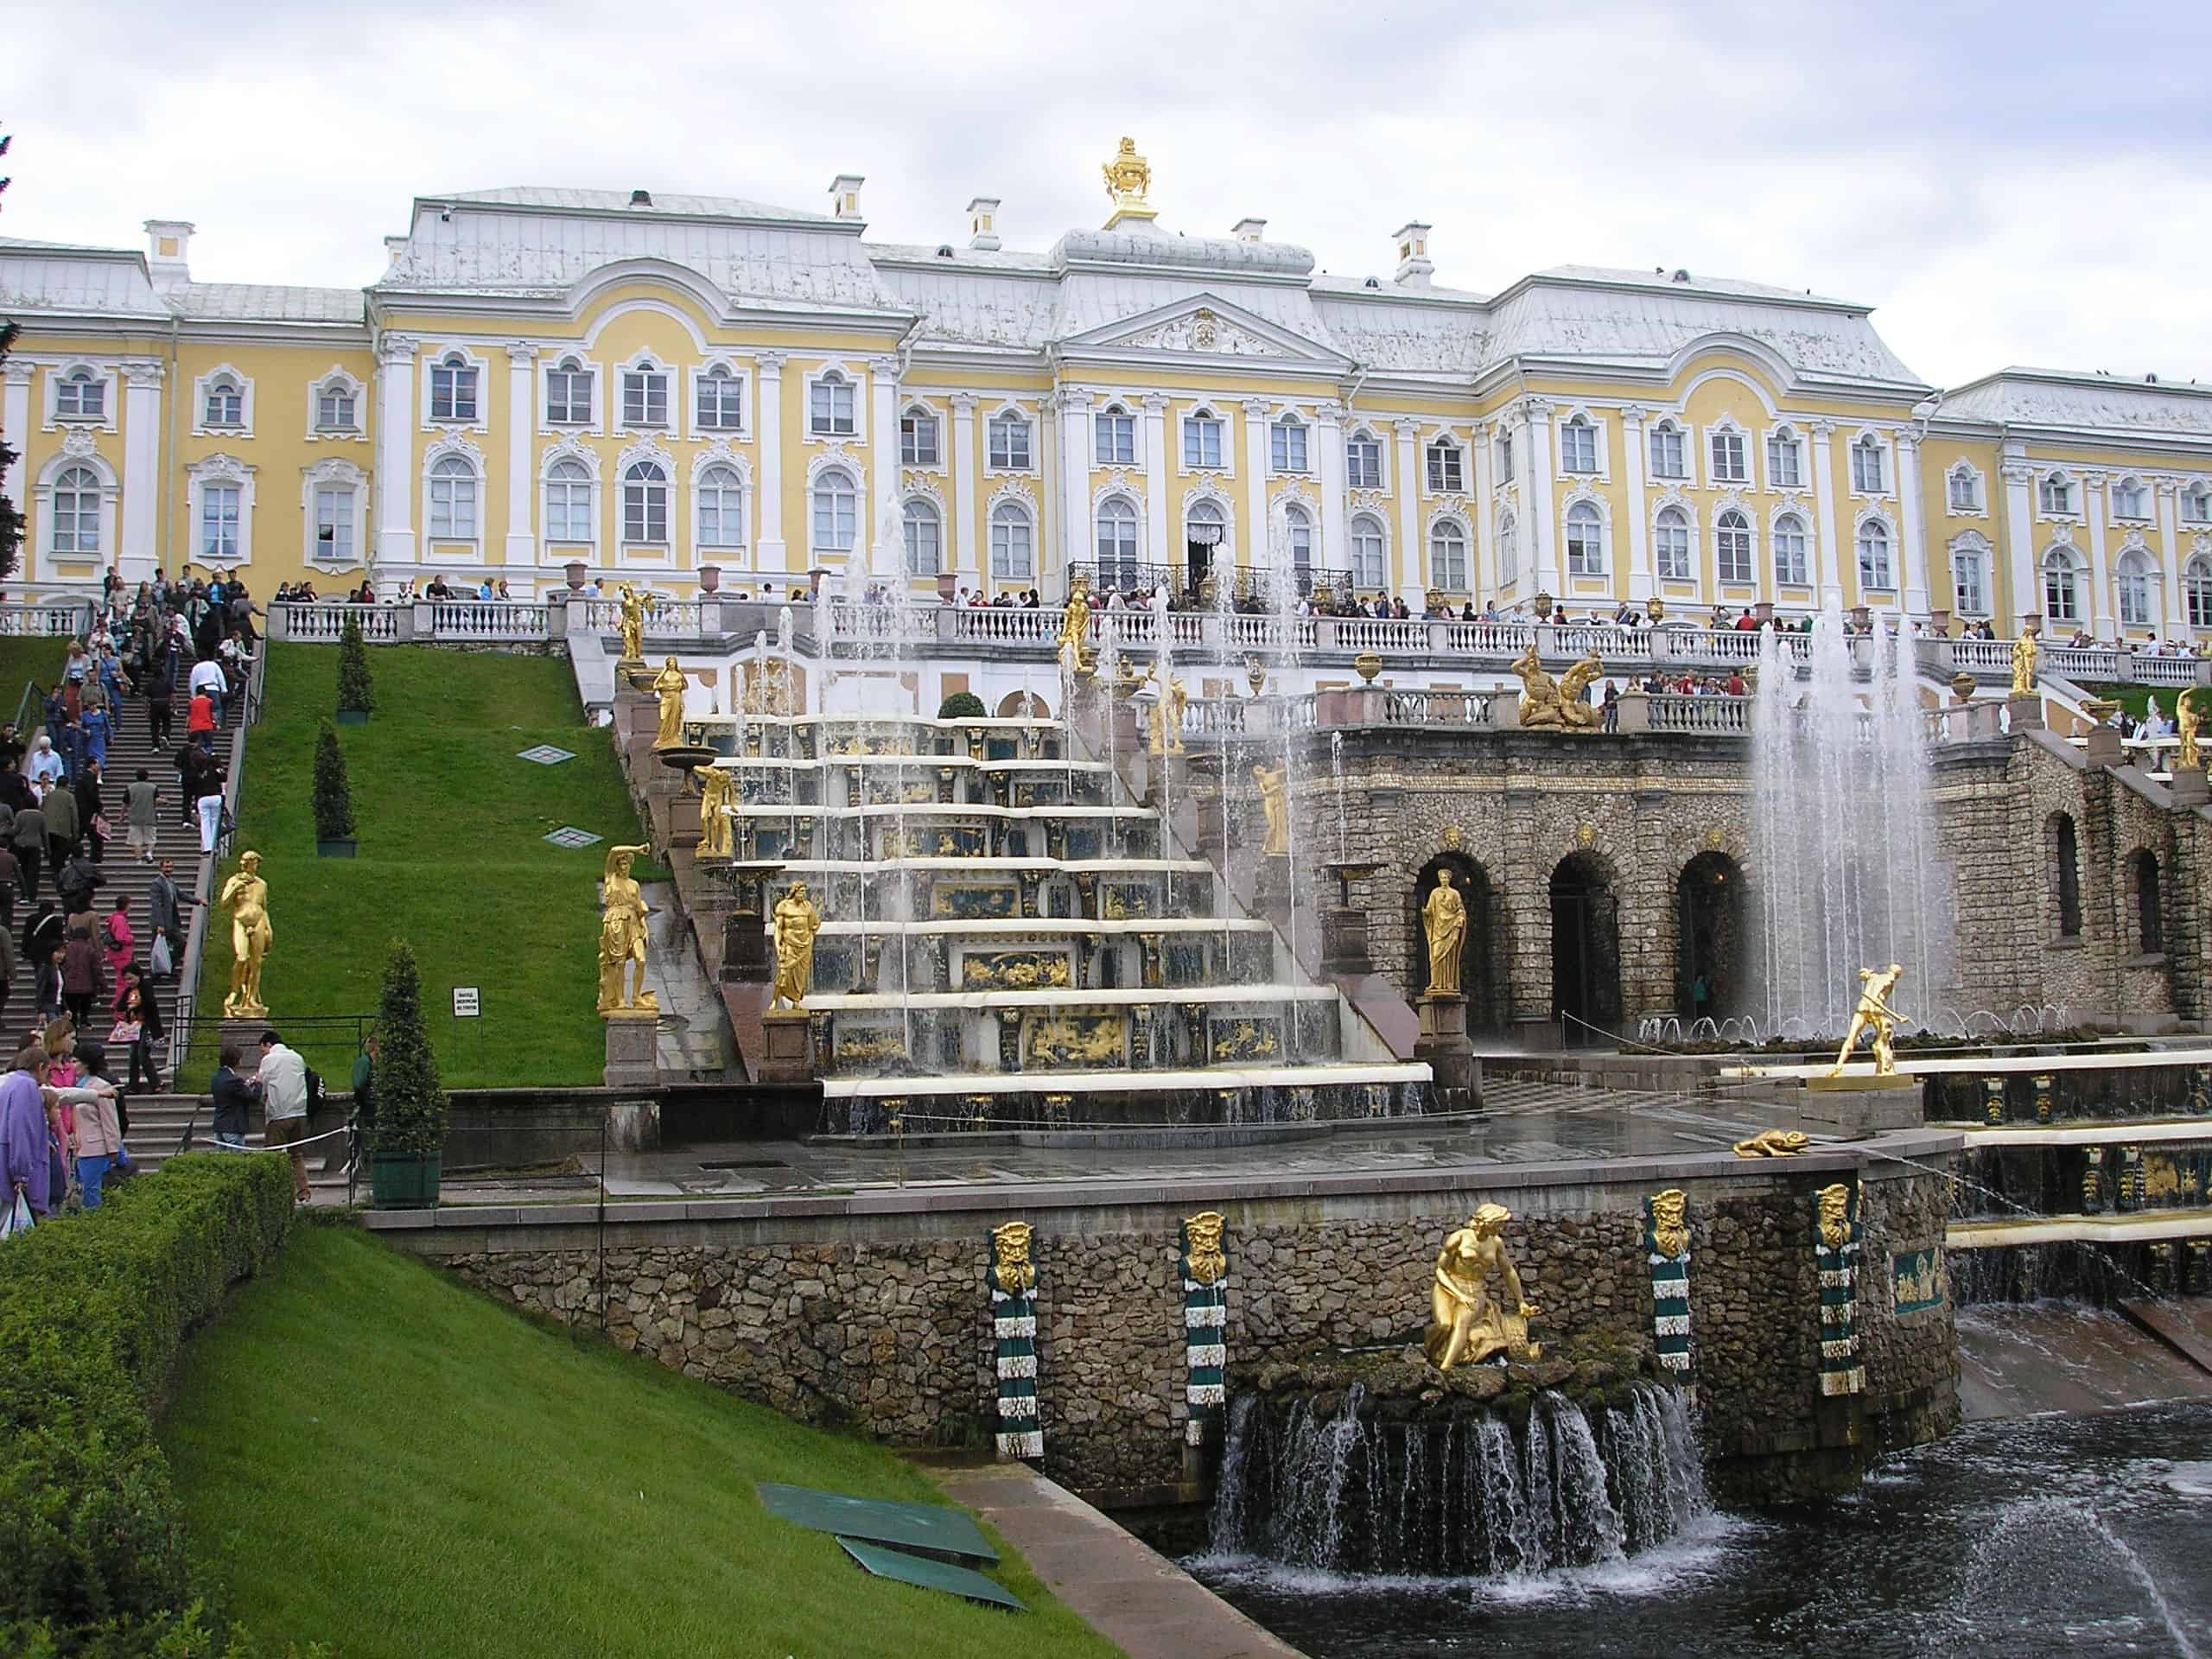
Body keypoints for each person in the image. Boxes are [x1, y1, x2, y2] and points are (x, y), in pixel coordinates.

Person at [60, 1039, 127, 1210]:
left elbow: (110, 1120)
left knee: (91, 1191)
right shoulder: (77, 1087)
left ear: (86, 1065)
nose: (72, 1065)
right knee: (83, 1189)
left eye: (76, 1062)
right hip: (81, 1147)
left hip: (95, 1147)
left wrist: (113, 1148)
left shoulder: (101, 1086)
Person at [256, 1029, 311, 1205]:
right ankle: (303, 1191)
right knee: (296, 1154)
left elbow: (262, 1085)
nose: (263, 1053)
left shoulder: (269, 1060)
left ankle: (277, 1194)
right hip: (300, 1112)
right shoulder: (297, 1057)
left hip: (279, 1114)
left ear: (268, 1044)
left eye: (262, 1049)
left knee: (273, 1155)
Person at [1, 1043, 51, 1218]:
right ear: (40, 1067)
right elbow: (21, 1130)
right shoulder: (26, 1086)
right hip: (13, 1173)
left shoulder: (10, 1083)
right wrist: (21, 1174)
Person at [147, 858, 188, 975]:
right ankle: (155, 974)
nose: (168, 869)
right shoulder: (157, 883)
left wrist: (198, 901)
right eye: (166, 867)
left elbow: (181, 895)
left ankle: (169, 966)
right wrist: (160, 924)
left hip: (172, 922)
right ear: (161, 868)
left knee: (181, 943)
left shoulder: (171, 882)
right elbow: (156, 904)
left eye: (170, 867)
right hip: (161, 923)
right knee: (157, 949)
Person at [209, 1040, 253, 1149]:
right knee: (236, 1160)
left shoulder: (216, 1078)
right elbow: (252, 1097)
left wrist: (244, 1085)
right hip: (233, 1126)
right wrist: (259, 1083)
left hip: (219, 1125)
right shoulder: (234, 1080)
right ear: (236, 1061)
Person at [60, 919, 99, 1027]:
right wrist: (100, 983)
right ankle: (84, 1019)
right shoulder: (90, 949)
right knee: (85, 1004)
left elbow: (63, 965)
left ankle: (73, 1024)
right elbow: (96, 968)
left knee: (71, 1006)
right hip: (86, 984)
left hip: (69, 984)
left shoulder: (67, 949)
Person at [102, 899, 134, 1010]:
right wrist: (130, 938)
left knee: (122, 980)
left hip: (118, 955)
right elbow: (120, 937)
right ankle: (119, 1004)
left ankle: (118, 1002)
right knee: (123, 981)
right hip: (121, 955)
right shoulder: (120, 919)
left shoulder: (116, 918)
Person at [124, 767, 159, 862]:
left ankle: (138, 860)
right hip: (150, 817)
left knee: (136, 841)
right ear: (147, 777)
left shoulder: (130, 787)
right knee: (151, 839)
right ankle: (149, 853)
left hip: (135, 818)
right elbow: (156, 801)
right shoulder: (153, 787)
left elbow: (125, 803)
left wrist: (121, 815)